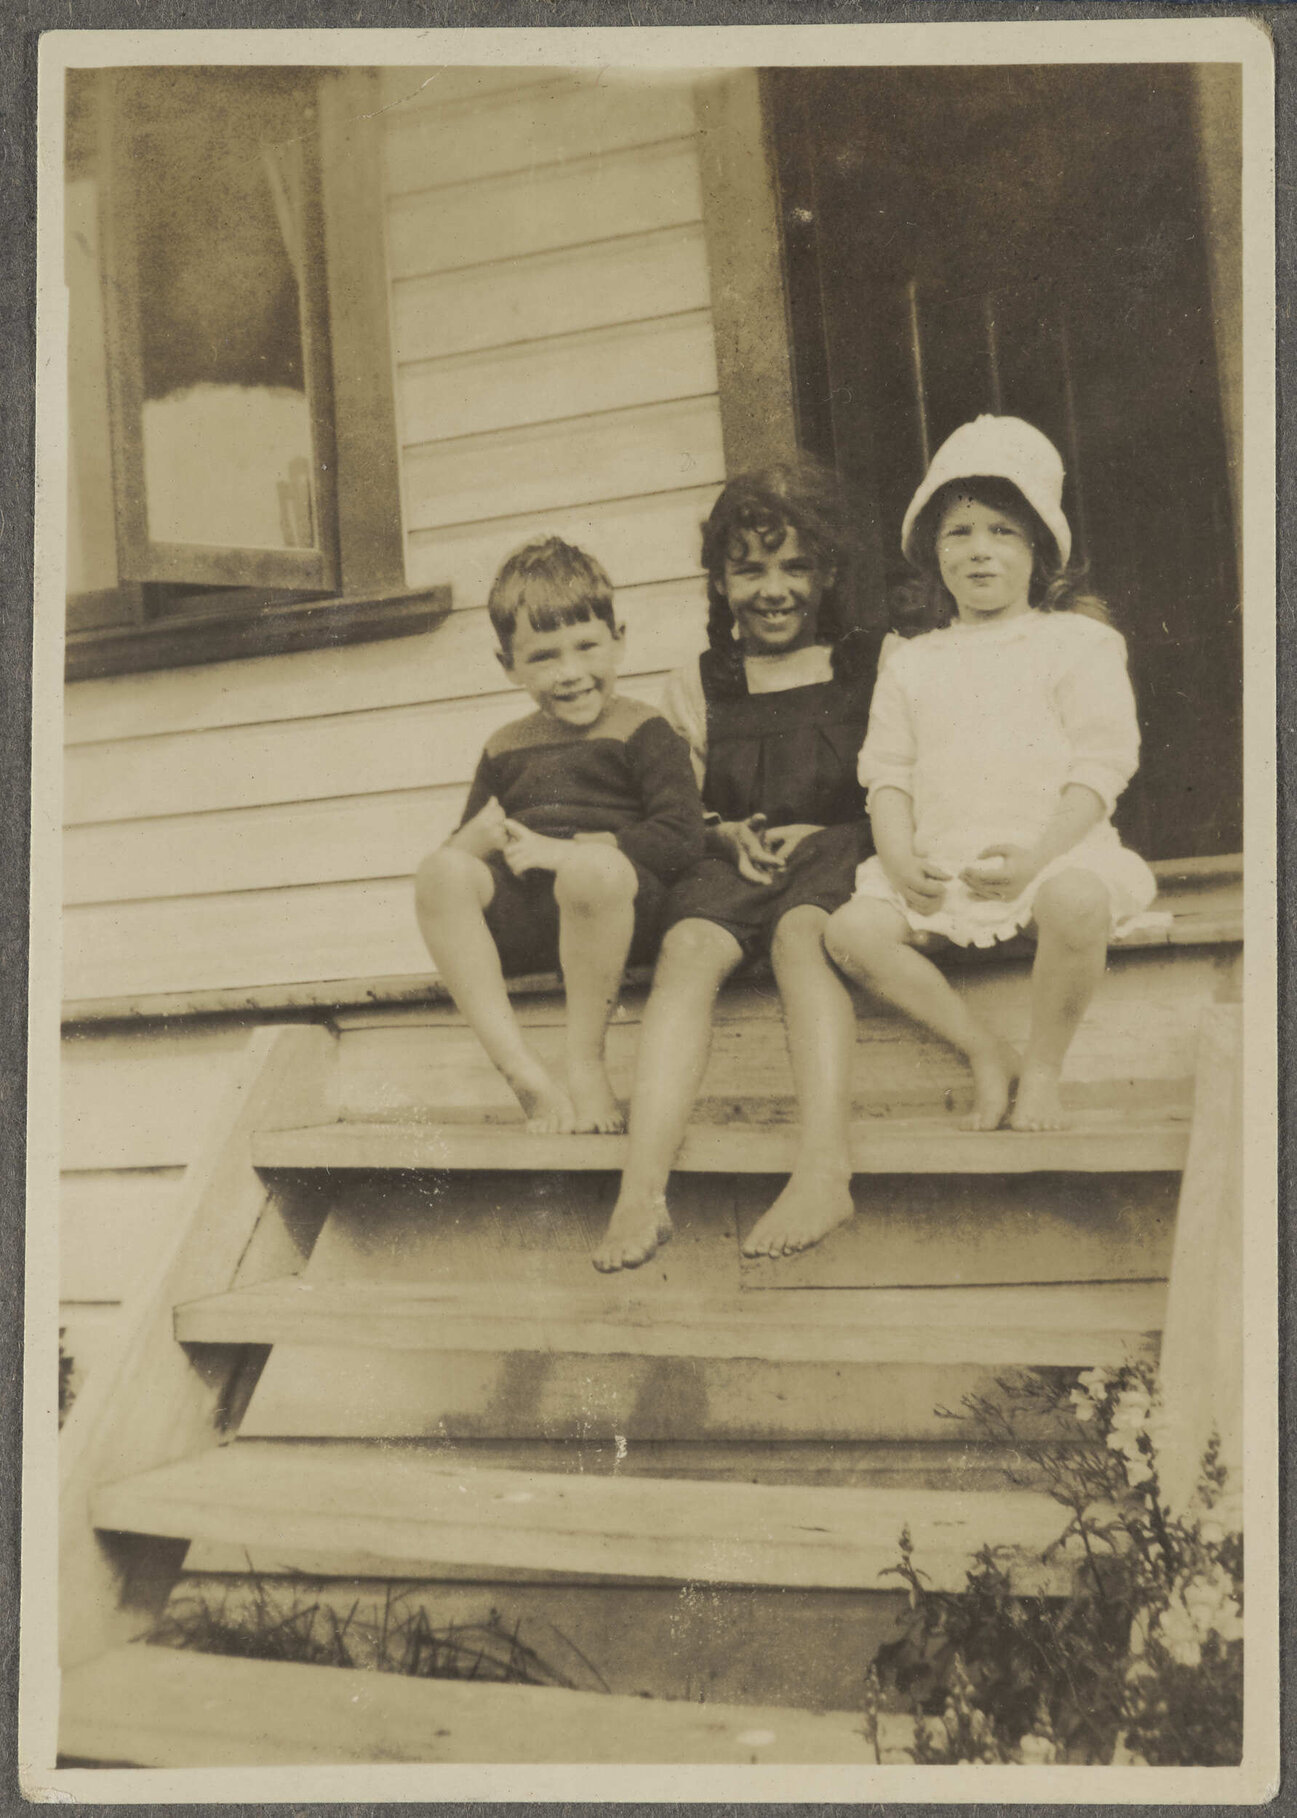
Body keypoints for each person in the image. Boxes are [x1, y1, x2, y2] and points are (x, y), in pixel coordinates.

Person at [824, 415, 1157, 1133]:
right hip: (942, 871)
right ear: (931, 553)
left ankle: (1040, 1069)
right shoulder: (911, 661)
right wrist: (898, 855)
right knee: (851, 930)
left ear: (1036, 547)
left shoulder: (1077, 643)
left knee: (1075, 903)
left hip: (1046, 857)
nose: (979, 553)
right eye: (959, 533)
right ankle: (985, 1051)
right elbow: (886, 772)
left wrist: (1036, 857)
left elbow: (1103, 765)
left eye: (1002, 532)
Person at [594, 460, 884, 1272]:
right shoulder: (697, 683)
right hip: (735, 856)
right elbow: (679, 806)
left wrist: (850, 830)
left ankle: (823, 1169)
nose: (772, 588)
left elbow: (906, 777)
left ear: (826, 574)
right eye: (748, 569)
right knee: (686, 949)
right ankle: (641, 1191)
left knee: (801, 937)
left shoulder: (871, 666)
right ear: (719, 583)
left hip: (841, 847)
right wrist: (721, 835)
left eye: (794, 566)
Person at [414, 537, 705, 1135]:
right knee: (439, 871)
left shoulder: (644, 730)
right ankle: (521, 1071)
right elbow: (468, 852)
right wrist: (475, 838)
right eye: (544, 656)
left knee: (588, 872)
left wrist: (571, 852)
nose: (570, 673)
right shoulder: (504, 745)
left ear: (618, 639)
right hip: (532, 922)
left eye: (586, 647)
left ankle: (585, 1065)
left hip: (617, 916)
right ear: (509, 666)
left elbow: (681, 837)